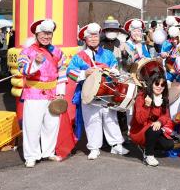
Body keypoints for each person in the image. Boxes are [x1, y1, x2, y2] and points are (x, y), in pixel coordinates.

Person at [67, 23, 129, 160]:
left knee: (110, 118)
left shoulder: (108, 54)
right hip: (88, 92)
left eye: (96, 36)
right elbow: (69, 72)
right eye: (90, 36)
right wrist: (84, 73)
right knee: (92, 120)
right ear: (85, 39)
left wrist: (114, 72)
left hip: (107, 91)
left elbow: (115, 68)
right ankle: (94, 148)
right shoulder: (80, 56)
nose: (94, 39)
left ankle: (116, 145)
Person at [17, 19, 67, 168]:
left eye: (49, 33)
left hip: (52, 93)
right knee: (32, 125)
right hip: (34, 92)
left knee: (51, 124)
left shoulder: (57, 52)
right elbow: (22, 70)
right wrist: (36, 63)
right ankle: (31, 155)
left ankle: (48, 151)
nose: (46, 36)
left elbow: (62, 71)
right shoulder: (27, 51)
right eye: (43, 33)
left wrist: (60, 92)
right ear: (37, 34)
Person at [130, 73, 175, 167]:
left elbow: (165, 115)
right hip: (139, 130)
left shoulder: (163, 98)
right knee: (155, 129)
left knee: (169, 144)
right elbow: (140, 120)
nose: (160, 87)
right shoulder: (141, 97)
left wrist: (159, 121)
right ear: (151, 84)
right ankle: (148, 155)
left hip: (153, 128)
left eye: (162, 85)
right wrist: (147, 106)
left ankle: (146, 146)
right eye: (157, 83)